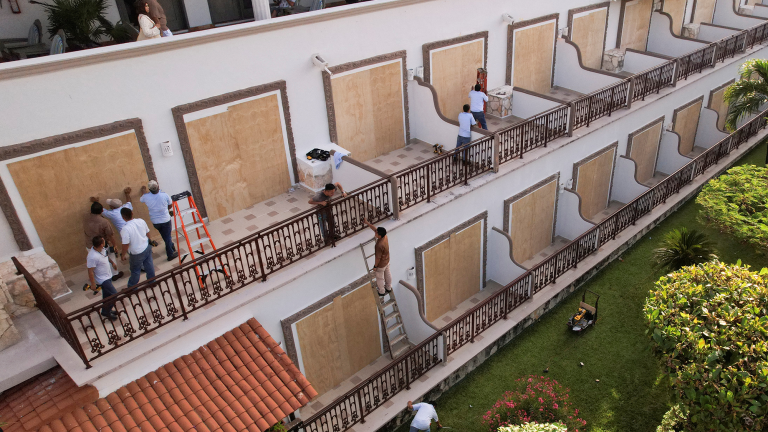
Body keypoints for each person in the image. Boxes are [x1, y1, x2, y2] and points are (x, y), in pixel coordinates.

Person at [83, 201, 123, 281]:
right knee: (110, 256)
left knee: (96, 262)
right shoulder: (104, 222)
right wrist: (115, 245)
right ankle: (114, 274)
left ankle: (99, 277)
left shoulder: (86, 218)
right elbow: (110, 235)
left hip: (89, 244)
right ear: (101, 211)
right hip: (101, 245)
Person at [140, 180, 178, 261]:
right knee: (167, 237)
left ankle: (171, 246)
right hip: (165, 220)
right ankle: (170, 254)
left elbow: (142, 199)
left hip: (155, 222)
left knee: (165, 236)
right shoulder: (164, 195)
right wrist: (165, 210)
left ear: (149, 189)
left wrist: (143, 191)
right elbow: (170, 205)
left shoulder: (146, 196)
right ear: (158, 186)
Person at [120, 207, 155, 287]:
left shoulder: (125, 229)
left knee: (135, 270)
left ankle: (132, 287)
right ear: (132, 213)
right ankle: (152, 282)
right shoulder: (141, 221)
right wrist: (150, 242)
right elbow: (147, 232)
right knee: (149, 265)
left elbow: (125, 244)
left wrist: (123, 254)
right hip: (146, 247)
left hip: (136, 253)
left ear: (123, 217)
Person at [87, 236, 119, 321]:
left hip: (108, 276)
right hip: (103, 280)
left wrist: (112, 263)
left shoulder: (102, 249)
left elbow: (106, 256)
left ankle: (105, 311)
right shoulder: (92, 257)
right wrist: (93, 284)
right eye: (103, 242)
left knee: (107, 296)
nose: (105, 242)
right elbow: (90, 271)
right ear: (101, 244)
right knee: (114, 294)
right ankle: (108, 312)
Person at [363, 218, 391, 297]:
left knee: (380, 278)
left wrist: (375, 266)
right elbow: (375, 229)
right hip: (387, 260)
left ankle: (381, 291)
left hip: (381, 264)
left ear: (379, 236)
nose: (375, 232)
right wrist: (368, 223)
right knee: (388, 274)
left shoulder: (379, 245)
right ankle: (388, 287)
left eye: (376, 232)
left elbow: (377, 258)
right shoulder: (385, 237)